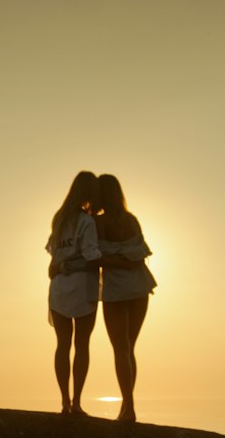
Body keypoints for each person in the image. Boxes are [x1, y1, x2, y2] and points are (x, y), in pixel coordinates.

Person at [93, 174, 156, 423]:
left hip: (118, 290)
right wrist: (125, 261)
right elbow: (140, 255)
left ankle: (128, 409)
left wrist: (112, 261)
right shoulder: (131, 220)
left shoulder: (98, 222)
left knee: (121, 348)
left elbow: (93, 256)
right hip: (140, 286)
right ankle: (128, 406)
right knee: (129, 349)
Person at [46, 171, 102, 415]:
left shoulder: (59, 220)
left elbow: (53, 254)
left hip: (59, 287)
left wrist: (63, 265)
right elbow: (92, 256)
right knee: (82, 344)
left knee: (62, 345)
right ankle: (77, 402)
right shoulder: (86, 222)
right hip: (82, 287)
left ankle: (64, 401)